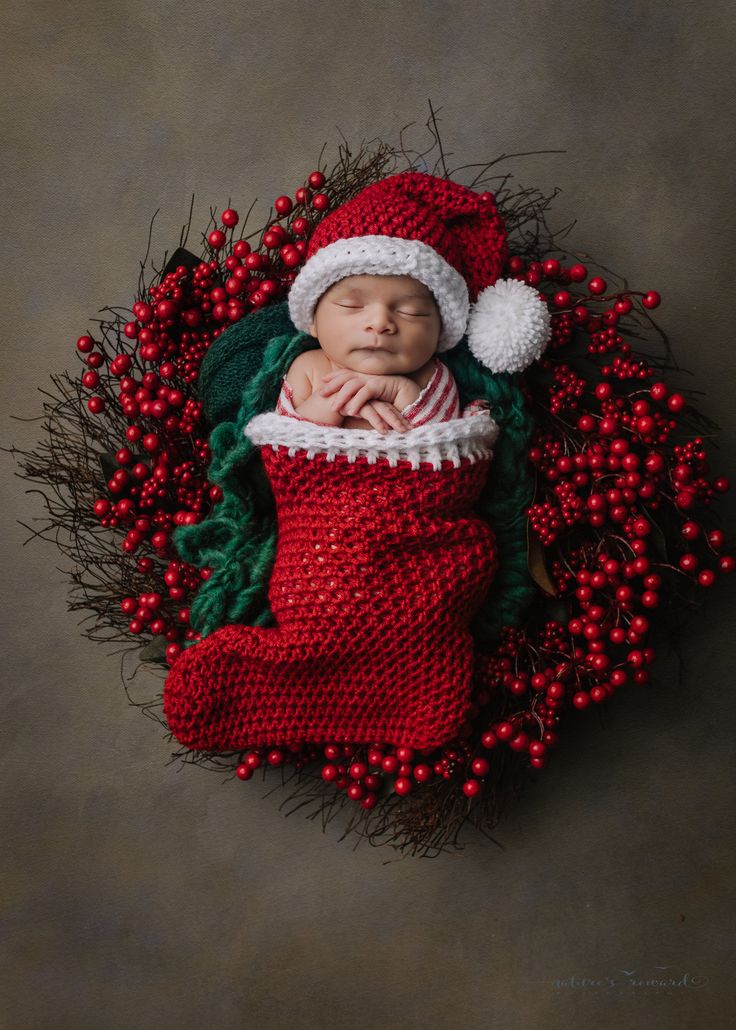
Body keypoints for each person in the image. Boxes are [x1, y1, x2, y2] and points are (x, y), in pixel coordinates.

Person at [275, 271, 466, 434]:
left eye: (412, 312)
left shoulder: (431, 375)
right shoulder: (309, 367)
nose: (380, 323)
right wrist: (335, 400)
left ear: (440, 330)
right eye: (351, 305)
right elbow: (281, 440)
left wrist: (402, 392)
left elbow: (450, 444)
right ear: (313, 321)